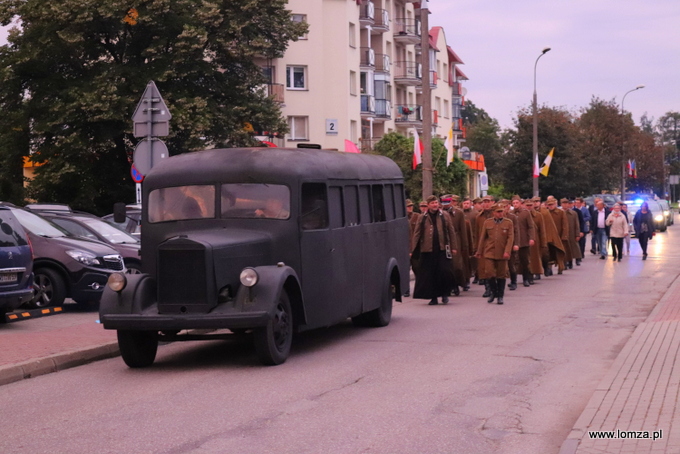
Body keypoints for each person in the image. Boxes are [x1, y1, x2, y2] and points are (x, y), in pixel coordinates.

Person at [411, 195, 458, 305]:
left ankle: (445, 294)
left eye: (436, 203)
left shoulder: (444, 215)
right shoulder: (422, 217)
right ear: (428, 205)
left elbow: (451, 232)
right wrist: (413, 249)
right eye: (432, 203)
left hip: (442, 249)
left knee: (444, 272)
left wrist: (453, 247)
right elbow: (417, 234)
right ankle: (433, 297)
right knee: (430, 274)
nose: (435, 205)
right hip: (427, 250)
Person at [476, 203, 514, 305]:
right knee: (489, 273)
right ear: (493, 213)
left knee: (501, 275)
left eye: (502, 211)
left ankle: (500, 296)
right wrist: (479, 251)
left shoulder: (508, 223)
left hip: (502, 253)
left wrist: (507, 251)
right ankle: (494, 292)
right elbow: (483, 238)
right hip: (489, 252)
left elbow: (510, 238)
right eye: (498, 212)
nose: (500, 213)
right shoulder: (487, 223)